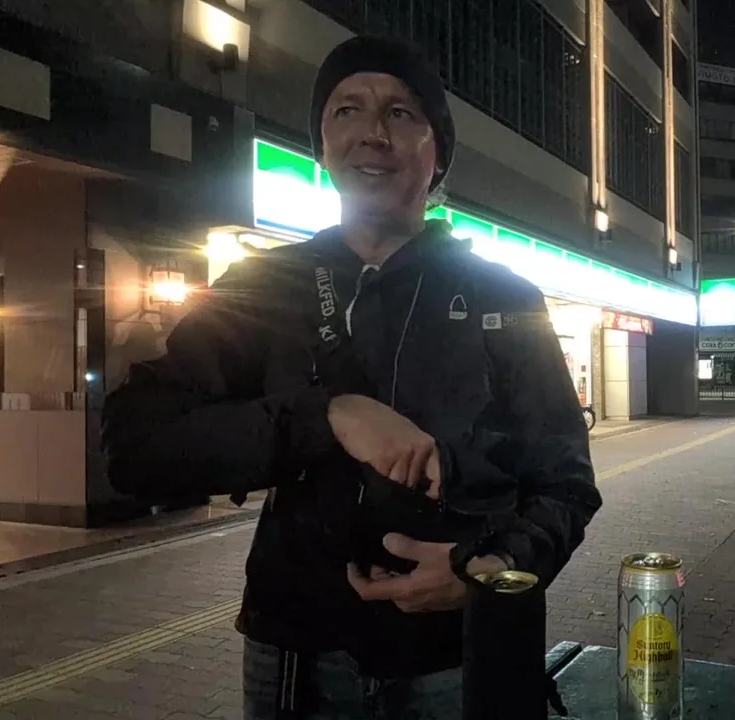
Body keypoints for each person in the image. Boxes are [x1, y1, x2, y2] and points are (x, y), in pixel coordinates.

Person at [102, 35, 602, 719]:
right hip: (297, 658)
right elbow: (135, 444)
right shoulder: (261, 286)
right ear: (322, 147)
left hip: (458, 653)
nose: (373, 132)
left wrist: (488, 570)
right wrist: (327, 414)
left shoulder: (503, 296)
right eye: (347, 110)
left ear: (438, 152)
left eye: (401, 112)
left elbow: (565, 482)